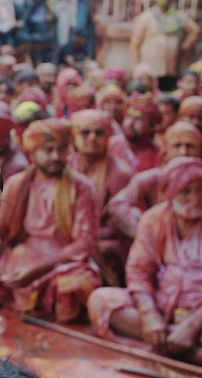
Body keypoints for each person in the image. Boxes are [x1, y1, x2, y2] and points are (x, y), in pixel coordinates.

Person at [87, 158, 202, 358]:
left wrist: (192, 326)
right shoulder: (154, 218)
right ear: (170, 194)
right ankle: (194, 354)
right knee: (100, 300)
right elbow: (138, 272)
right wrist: (149, 316)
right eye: (186, 192)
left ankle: (173, 345)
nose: (196, 198)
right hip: (160, 306)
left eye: (201, 190)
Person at [0, 119, 100, 321]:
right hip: (21, 257)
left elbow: (84, 244)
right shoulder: (18, 183)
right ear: (32, 153)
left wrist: (37, 270)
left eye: (61, 150)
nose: (56, 156)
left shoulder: (82, 188)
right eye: (48, 150)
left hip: (60, 263)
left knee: (78, 283)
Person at [107, 122, 202, 240]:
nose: (184, 152)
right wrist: (145, 231)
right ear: (165, 151)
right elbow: (117, 205)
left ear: (201, 152)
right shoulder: (148, 179)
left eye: (190, 146)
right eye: (177, 146)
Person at [69, 109, 134, 286]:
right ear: (74, 136)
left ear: (108, 137)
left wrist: (86, 238)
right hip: (71, 235)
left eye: (99, 133)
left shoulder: (119, 173)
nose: (92, 138)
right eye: (85, 132)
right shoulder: (68, 164)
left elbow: (120, 222)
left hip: (105, 238)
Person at [130, 0, 200, 84]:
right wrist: (137, 67)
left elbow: (195, 30)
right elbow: (135, 44)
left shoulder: (178, 16)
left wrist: (186, 46)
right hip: (152, 68)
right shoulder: (146, 17)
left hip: (173, 68)